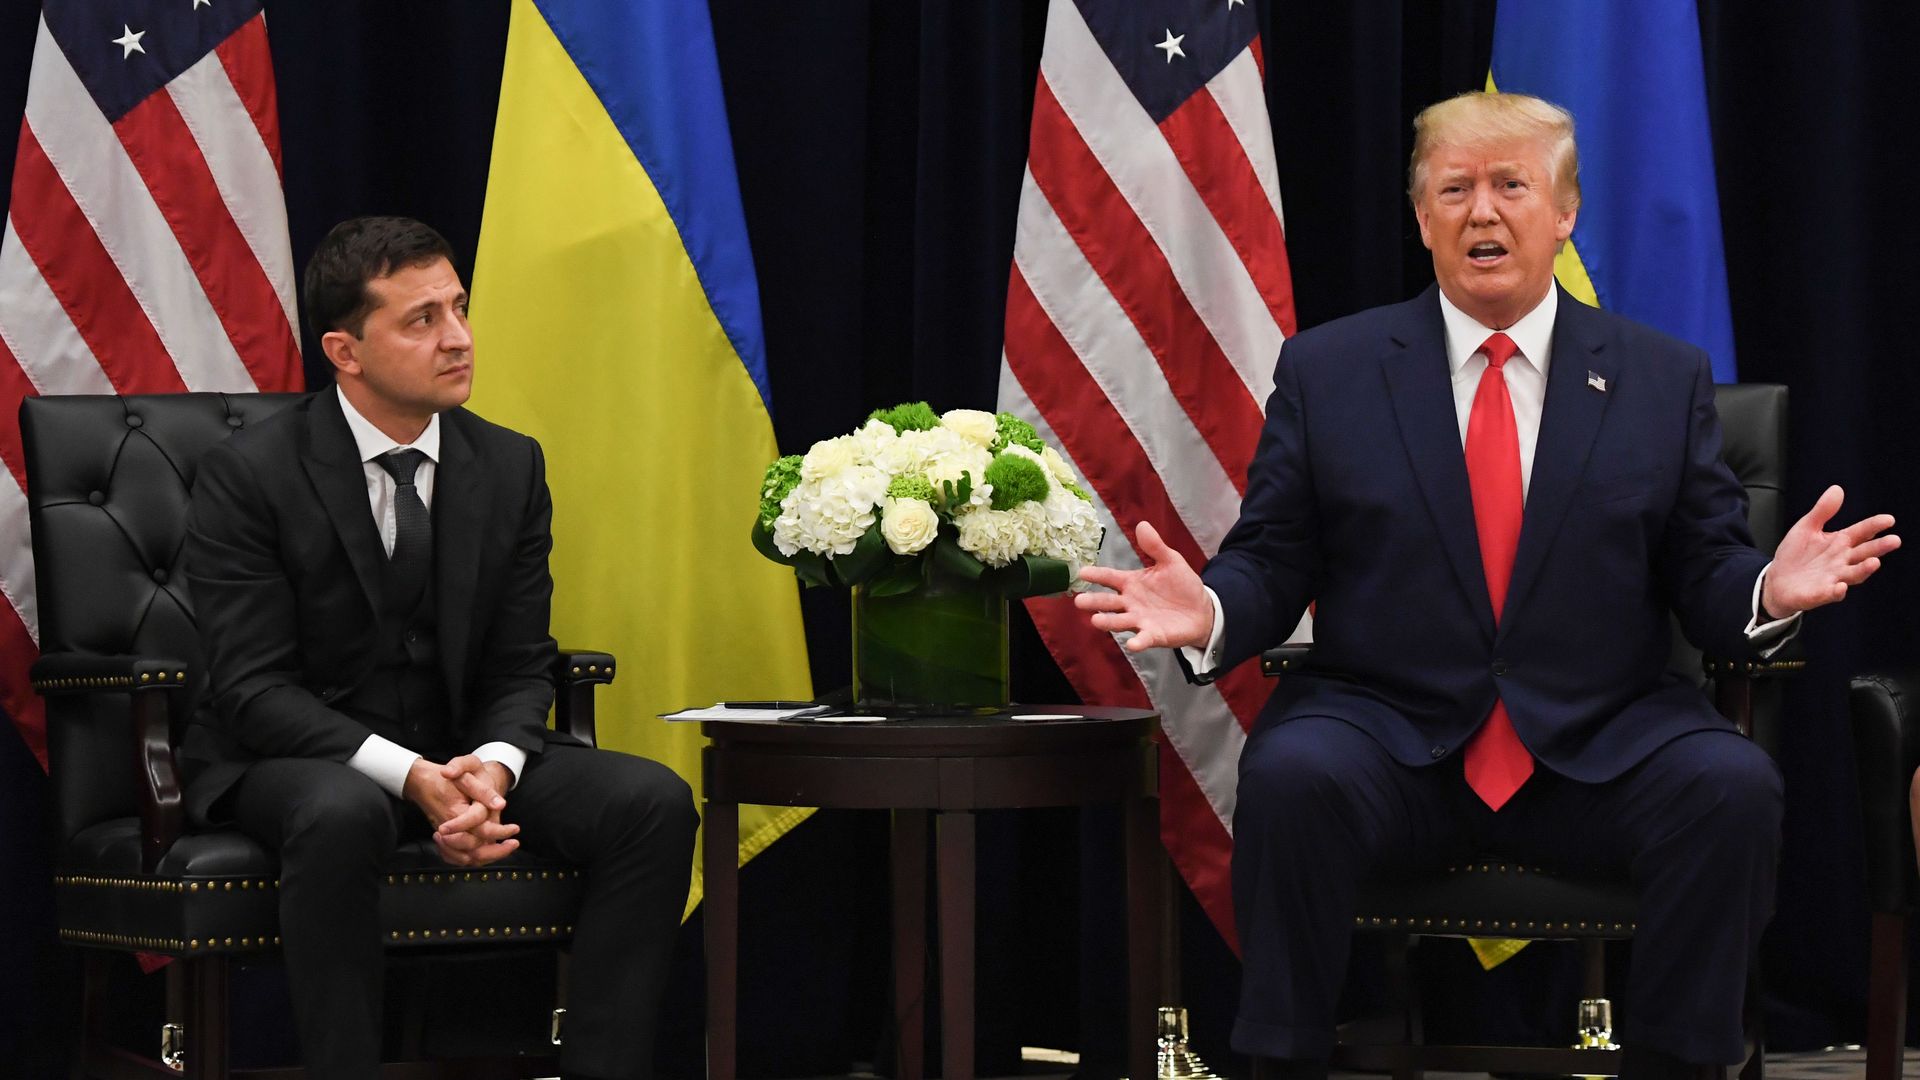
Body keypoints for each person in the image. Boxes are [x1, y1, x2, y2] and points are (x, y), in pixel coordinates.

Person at [1076, 92, 1898, 1080]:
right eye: (1454, 188)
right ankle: (1277, 1062)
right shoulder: (1331, 370)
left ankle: (1681, 1067)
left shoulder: (1659, 377)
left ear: (1566, 213)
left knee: (1730, 789)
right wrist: (1209, 609)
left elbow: (1706, 569)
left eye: (1512, 185)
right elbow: (1273, 554)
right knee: (1291, 777)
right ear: (1421, 218)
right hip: (1387, 736)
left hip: (1600, 739)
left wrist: (1767, 590)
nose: (1482, 212)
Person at [181, 216, 697, 1080]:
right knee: (340, 811)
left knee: (652, 801)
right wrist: (412, 777)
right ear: (345, 350)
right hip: (298, 752)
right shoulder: (251, 475)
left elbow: (520, 660)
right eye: (422, 320)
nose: (458, 339)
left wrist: (488, 772)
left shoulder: (510, 466)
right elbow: (253, 689)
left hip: (460, 744)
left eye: (459, 308)